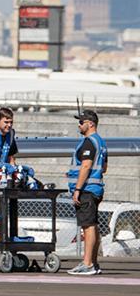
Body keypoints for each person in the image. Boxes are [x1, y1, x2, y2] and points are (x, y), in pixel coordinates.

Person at [66, 109, 107, 276]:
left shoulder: (89, 142)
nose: (79, 124)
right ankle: (93, 262)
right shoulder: (101, 142)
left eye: (81, 122)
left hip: (87, 190)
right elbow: (103, 168)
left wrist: (77, 189)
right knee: (93, 226)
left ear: (91, 124)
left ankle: (87, 263)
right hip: (95, 188)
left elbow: (86, 166)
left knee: (88, 226)